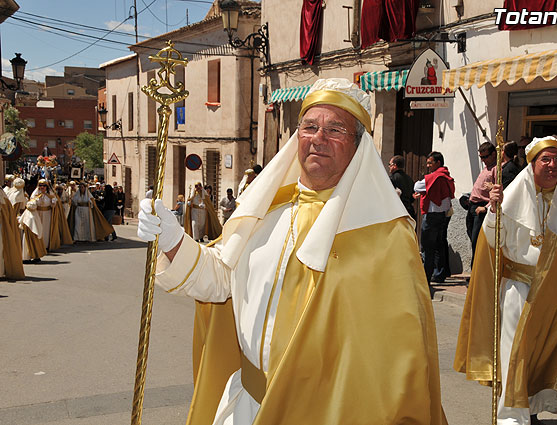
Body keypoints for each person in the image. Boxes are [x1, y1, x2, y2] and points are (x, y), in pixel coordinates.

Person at [137, 78, 448, 425]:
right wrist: (172, 239)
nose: (318, 138)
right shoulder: (267, 210)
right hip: (248, 406)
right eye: (310, 127)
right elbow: (221, 280)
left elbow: (402, 360)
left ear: (359, 146)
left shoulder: (386, 233)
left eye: (335, 129)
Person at [455, 136, 557, 425]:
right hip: (518, 291)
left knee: (540, 356)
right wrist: (494, 211)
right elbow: (493, 242)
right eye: (546, 159)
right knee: (513, 355)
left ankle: (529, 409)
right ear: (532, 165)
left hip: (553, 296)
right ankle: (510, 418)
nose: (553, 165)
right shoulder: (509, 199)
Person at [413, 152, 455, 288]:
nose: (428, 165)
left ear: (438, 163)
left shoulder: (435, 177)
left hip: (432, 215)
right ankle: (439, 274)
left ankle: (426, 277)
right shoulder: (446, 175)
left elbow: (417, 186)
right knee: (439, 245)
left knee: (427, 247)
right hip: (443, 215)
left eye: (430, 162)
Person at [466, 142, 497, 267]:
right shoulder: (486, 167)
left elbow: (498, 192)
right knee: (472, 238)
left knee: (477, 241)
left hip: (481, 207)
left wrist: (486, 207)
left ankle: (476, 271)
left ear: (493, 154)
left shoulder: (496, 169)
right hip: (472, 206)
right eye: (481, 157)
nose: (483, 160)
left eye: (485, 157)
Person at [388, 155, 416, 219]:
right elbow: (412, 197)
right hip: (408, 212)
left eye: (390, 164)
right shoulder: (409, 179)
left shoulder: (392, 178)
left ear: (394, 165)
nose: (389, 166)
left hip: (397, 212)